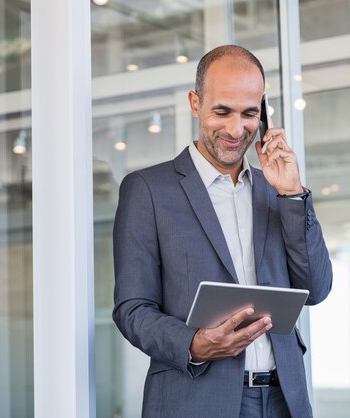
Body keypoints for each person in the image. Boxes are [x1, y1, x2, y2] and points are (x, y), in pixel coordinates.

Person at [112, 44, 333, 418]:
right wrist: (195, 344)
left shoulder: (275, 190)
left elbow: (316, 288)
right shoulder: (148, 190)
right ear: (195, 104)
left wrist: (293, 195)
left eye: (249, 113)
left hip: (284, 400)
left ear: (263, 112)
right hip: (196, 400)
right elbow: (132, 309)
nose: (236, 129)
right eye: (222, 112)